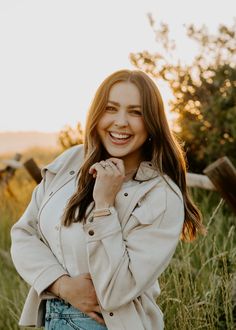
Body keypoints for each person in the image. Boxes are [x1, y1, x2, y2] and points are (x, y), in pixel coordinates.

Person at [11, 69, 205, 330]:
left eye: (136, 112)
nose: (121, 122)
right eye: (111, 108)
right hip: (50, 319)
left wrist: (104, 207)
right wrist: (62, 285)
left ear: (152, 123)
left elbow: (115, 291)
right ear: (96, 113)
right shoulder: (71, 162)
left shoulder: (160, 195)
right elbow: (23, 235)